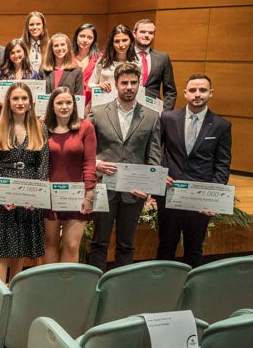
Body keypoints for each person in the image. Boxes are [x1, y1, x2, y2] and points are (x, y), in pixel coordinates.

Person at [89, 62, 162, 271]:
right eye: (124, 83)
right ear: (116, 84)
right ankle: (95, 285)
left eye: (133, 82)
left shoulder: (151, 116)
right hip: (104, 187)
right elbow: (86, 150)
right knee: (99, 243)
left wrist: (149, 187)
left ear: (139, 84)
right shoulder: (98, 112)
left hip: (135, 191)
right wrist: (97, 164)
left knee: (126, 245)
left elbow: (154, 155)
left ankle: (121, 287)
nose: (129, 87)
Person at [156, 74, 232, 267]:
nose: (197, 94)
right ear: (185, 93)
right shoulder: (168, 118)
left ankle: (191, 292)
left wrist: (212, 198)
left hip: (200, 198)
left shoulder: (221, 126)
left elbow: (222, 165)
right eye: (193, 90)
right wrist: (158, 175)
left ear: (210, 93)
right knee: (165, 247)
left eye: (202, 90)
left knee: (194, 249)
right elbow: (155, 150)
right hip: (170, 194)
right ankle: (162, 291)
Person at [0, 82, 49, 283]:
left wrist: (36, 195)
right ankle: (0, 290)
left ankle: (15, 289)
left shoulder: (40, 127)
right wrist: (3, 195)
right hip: (3, 188)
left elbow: (42, 166)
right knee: (1, 244)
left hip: (29, 189)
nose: (20, 102)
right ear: (8, 101)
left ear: (30, 102)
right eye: (15, 98)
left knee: (20, 242)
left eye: (24, 98)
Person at [43, 87, 96, 264]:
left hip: (76, 194)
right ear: (52, 106)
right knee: (49, 243)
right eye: (59, 103)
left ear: (74, 105)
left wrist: (89, 194)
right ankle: (50, 287)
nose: (64, 106)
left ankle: (67, 288)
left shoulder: (86, 128)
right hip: (49, 195)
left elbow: (89, 162)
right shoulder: (44, 129)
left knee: (72, 244)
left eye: (68, 102)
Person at [133, 18, 177, 110]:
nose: (146, 35)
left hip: (153, 110)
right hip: (127, 108)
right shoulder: (124, 55)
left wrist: (165, 112)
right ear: (134, 33)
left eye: (150, 33)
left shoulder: (163, 58)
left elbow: (170, 91)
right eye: (143, 32)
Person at [91, 24, 137, 93]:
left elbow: (139, 90)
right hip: (104, 102)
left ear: (130, 41)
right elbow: (89, 85)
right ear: (112, 43)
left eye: (124, 40)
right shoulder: (103, 62)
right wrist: (99, 86)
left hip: (127, 102)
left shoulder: (137, 64)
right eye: (117, 41)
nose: (121, 45)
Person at [72, 23, 100, 108]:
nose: (85, 40)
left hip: (92, 102)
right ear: (76, 36)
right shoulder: (67, 57)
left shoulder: (100, 58)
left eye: (89, 37)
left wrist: (89, 106)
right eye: (82, 36)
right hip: (71, 101)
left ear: (93, 40)